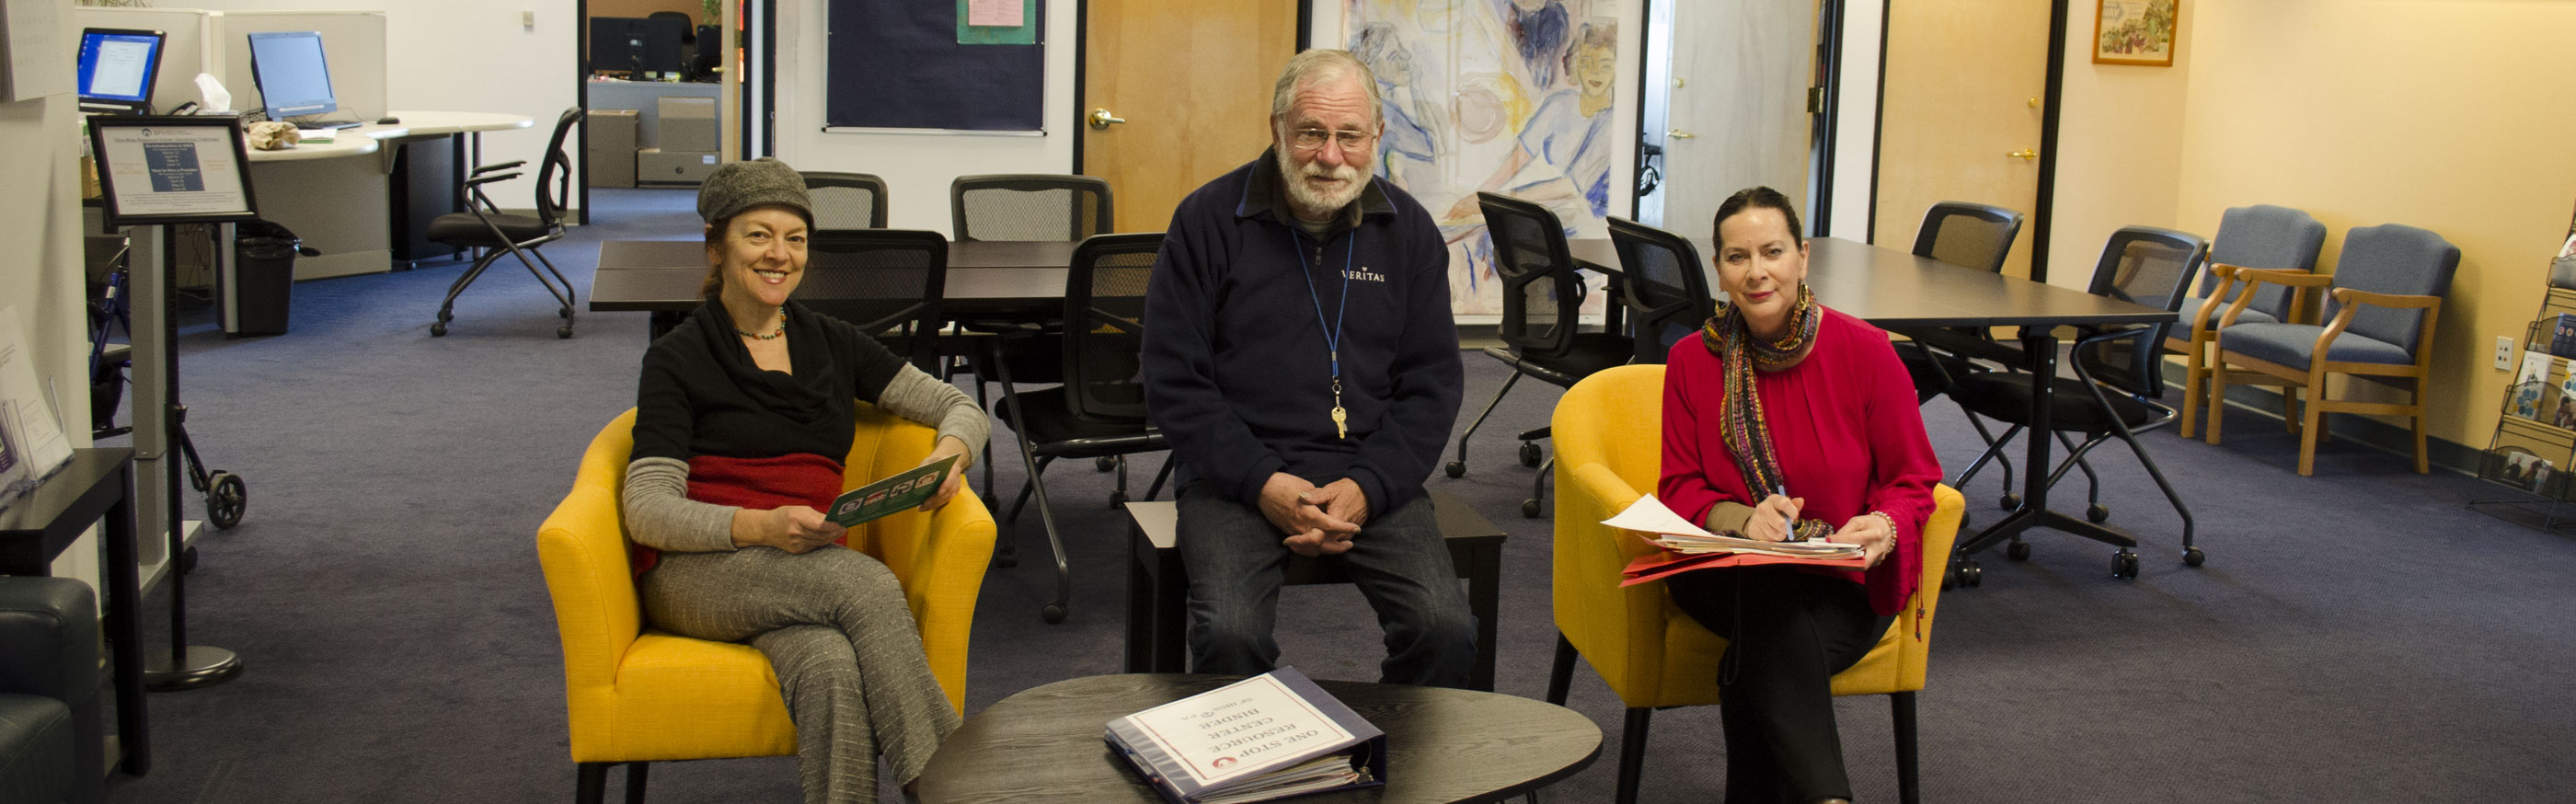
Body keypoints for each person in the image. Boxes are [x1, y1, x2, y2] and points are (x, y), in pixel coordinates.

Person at [620, 157, 987, 803]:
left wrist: (948, 457)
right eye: (758, 235)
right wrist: (759, 526)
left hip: (804, 568)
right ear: (716, 245)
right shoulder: (676, 358)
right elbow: (647, 510)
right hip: (700, 569)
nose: (779, 255)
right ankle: (953, 791)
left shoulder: (832, 342)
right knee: (868, 584)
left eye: (795, 239)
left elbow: (960, 408)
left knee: (830, 665)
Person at [1141, 49, 1477, 688]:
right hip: (1237, 476)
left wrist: (1369, 487)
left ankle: (1394, 768)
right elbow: (1173, 384)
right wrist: (1265, 482)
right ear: (1277, 130)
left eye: (1350, 135)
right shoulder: (1207, 221)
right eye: (1311, 134)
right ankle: (1249, 777)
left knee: (1445, 631)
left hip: (1369, 473)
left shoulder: (1409, 232)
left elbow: (1432, 387)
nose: (1330, 155)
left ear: (1376, 136)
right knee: (1229, 636)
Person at [1656, 186, 1943, 804]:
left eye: (1772, 251)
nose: (1757, 272)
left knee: (1758, 655)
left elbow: (1914, 479)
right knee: (1764, 586)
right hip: (1724, 567)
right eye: (1737, 256)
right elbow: (1678, 487)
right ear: (1719, 269)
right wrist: (1742, 519)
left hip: (1846, 579)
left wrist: (1886, 526)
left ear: (1803, 257)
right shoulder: (1689, 360)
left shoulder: (1866, 352)